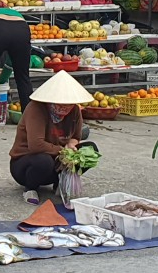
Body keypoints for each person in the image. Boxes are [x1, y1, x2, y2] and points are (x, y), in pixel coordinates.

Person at [8, 70, 97, 205]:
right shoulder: (36, 108)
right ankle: (30, 188)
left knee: (90, 150)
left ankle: (60, 182)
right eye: (61, 103)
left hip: (56, 159)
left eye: (68, 104)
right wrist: (62, 150)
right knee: (43, 160)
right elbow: (36, 145)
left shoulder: (74, 111)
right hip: (27, 163)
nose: (65, 107)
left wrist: (71, 146)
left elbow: (76, 136)